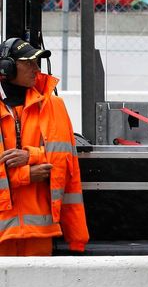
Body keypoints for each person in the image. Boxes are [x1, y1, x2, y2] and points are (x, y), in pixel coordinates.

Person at [0, 38, 89, 256]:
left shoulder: (54, 105)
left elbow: (67, 165)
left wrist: (31, 155)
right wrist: (25, 174)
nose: (36, 69)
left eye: (37, 62)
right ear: (7, 67)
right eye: (28, 62)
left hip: (40, 233)